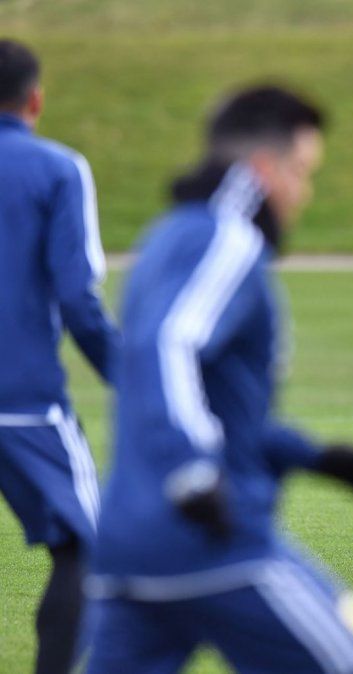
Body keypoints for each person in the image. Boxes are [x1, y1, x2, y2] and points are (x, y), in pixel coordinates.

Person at [85, 86, 353, 674]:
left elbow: (215, 404)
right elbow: (167, 345)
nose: (303, 193)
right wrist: (191, 472)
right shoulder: (226, 237)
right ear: (264, 169)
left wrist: (312, 456)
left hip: (129, 548)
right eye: (302, 172)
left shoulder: (169, 235)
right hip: (211, 543)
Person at [0, 39, 118, 674]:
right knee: (85, 549)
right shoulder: (58, 169)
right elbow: (77, 297)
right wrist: (130, 377)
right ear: (36, 100)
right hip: (22, 401)